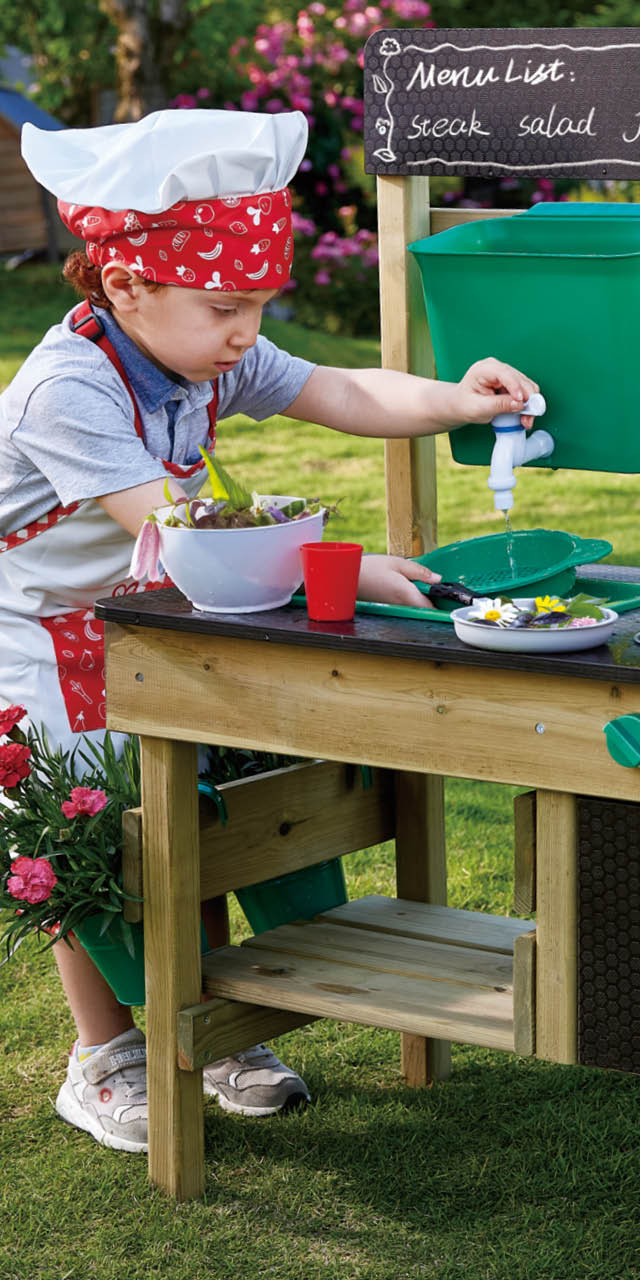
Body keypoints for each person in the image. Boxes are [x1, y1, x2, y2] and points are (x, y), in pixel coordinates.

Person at [1, 109, 538, 1154]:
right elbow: (178, 524)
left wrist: (458, 402)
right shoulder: (70, 390)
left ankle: (218, 1028)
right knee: (97, 833)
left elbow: (336, 387)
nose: (246, 331)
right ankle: (106, 1052)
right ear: (124, 288)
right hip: (43, 626)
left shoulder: (201, 353)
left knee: (203, 804)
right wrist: (339, 566)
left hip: (149, 605)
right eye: (225, 307)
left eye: (256, 306)